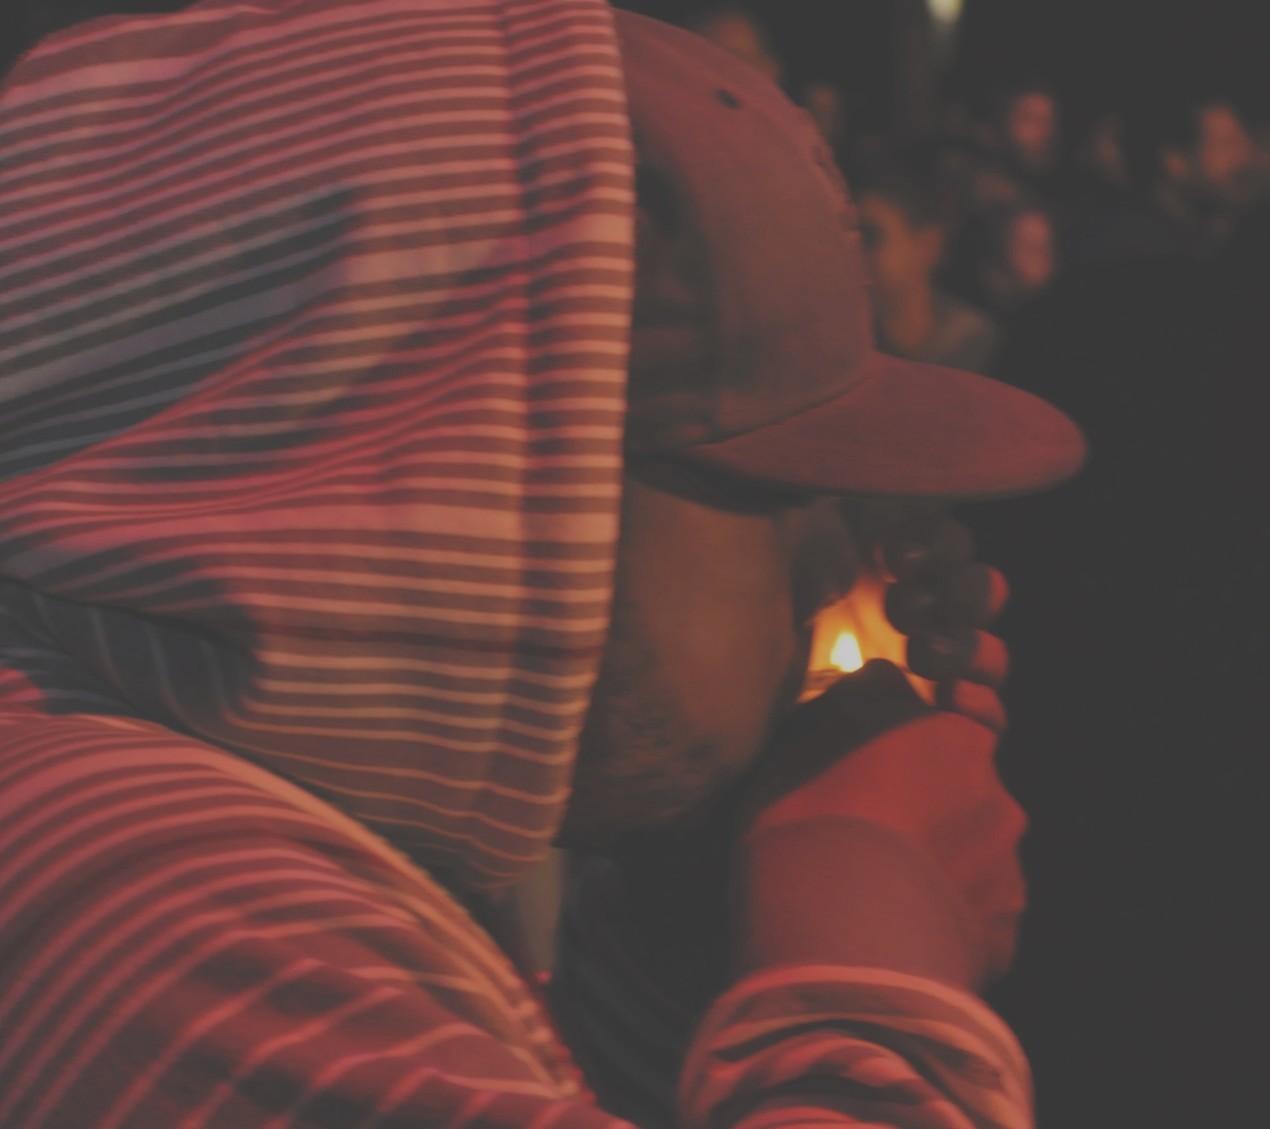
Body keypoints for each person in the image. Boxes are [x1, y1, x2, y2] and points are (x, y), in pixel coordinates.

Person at [0, 4, 1085, 1129]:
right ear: (486, 503)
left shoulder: (163, 814)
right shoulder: (167, 923)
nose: (840, 572)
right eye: (774, 498)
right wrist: (870, 928)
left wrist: (699, 935)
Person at [852, 144, 1001, 373]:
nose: (853, 258)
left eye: (871, 237)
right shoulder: (849, 354)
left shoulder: (986, 359)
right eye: (848, 241)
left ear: (928, 246)